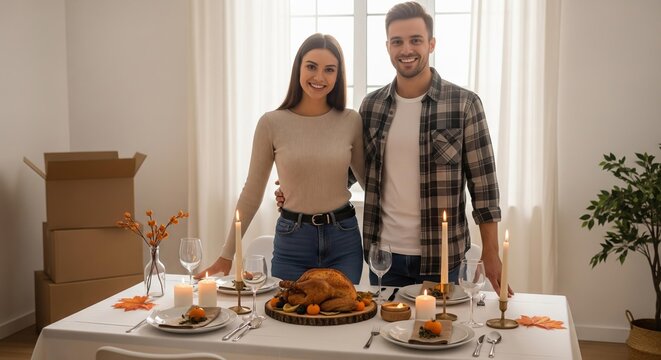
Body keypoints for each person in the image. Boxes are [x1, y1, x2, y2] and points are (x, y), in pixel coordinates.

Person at [278, 2, 512, 296]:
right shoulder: (372, 107)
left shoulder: (463, 104)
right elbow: (349, 168)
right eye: (397, 41)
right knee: (384, 338)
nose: (406, 49)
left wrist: (491, 254)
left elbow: (485, 187)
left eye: (416, 40)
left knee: (437, 336)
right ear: (387, 46)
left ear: (431, 43)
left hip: (441, 258)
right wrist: (298, 188)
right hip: (384, 257)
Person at [197, 33, 366, 284]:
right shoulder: (271, 123)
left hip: (343, 239)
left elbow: (370, 184)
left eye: (329, 70)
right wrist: (226, 255)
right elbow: (252, 193)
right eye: (311, 67)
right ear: (298, 68)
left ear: (338, 76)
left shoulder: (351, 120)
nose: (319, 77)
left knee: (342, 318)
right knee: (286, 318)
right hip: (293, 241)